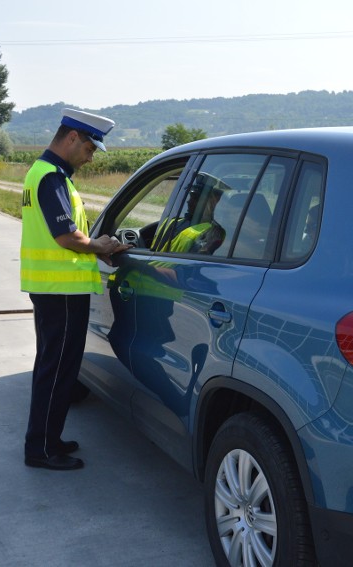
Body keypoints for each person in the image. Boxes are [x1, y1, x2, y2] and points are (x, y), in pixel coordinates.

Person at [20, 108, 131, 471]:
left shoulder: (48, 174)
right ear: (71, 138)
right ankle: (41, 450)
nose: (91, 155)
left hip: (54, 288)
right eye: (89, 147)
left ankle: (48, 440)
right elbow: (68, 236)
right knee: (57, 370)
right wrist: (101, 246)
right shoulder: (51, 177)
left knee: (54, 368)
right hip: (61, 292)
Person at [154, 172, 226, 255]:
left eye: (195, 199)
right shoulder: (174, 221)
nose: (189, 201)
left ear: (212, 203)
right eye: (190, 197)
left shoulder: (213, 233)